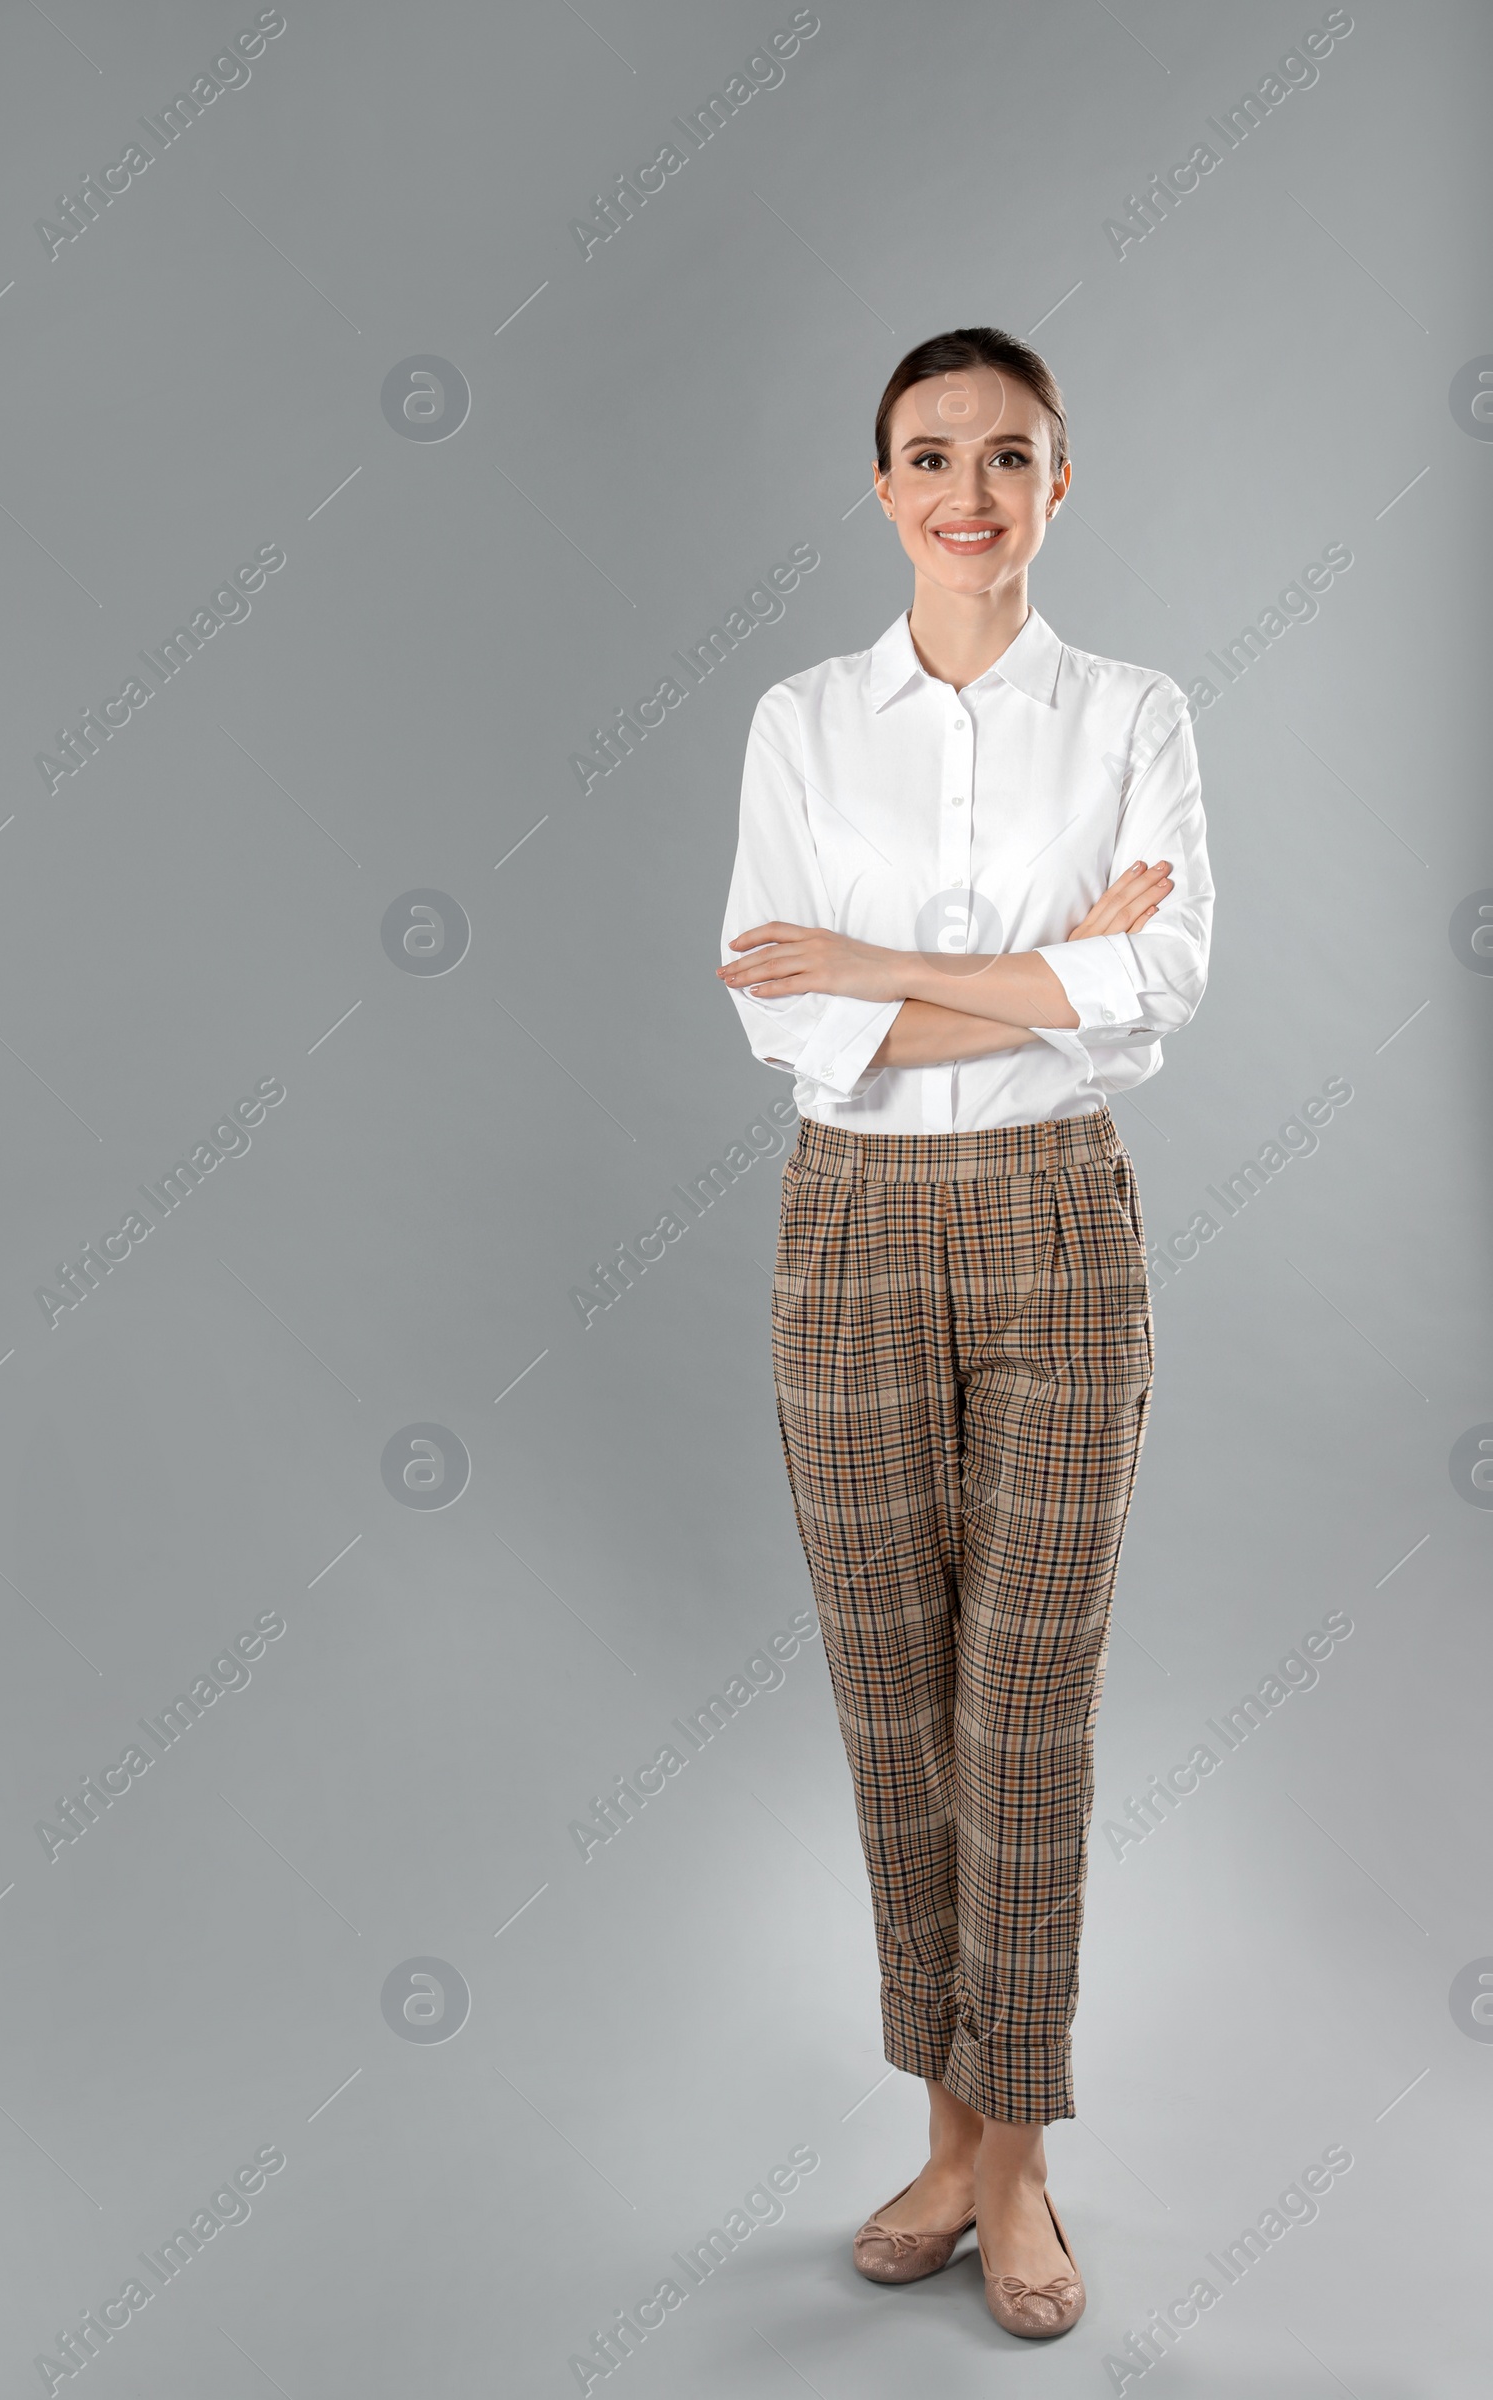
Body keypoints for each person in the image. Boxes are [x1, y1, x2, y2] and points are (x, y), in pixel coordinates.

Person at [716, 326, 1212, 2340]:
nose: (968, 493)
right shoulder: (797, 721)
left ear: (1059, 484)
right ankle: (941, 2129)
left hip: (1055, 1221)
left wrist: (882, 968)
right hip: (842, 1225)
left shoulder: (1133, 711)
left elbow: (1158, 991)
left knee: (1028, 1704)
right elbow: (774, 1012)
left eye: (1009, 457)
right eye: (929, 455)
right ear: (878, 484)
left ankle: (1018, 2170)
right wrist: (1043, 968)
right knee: (891, 1702)